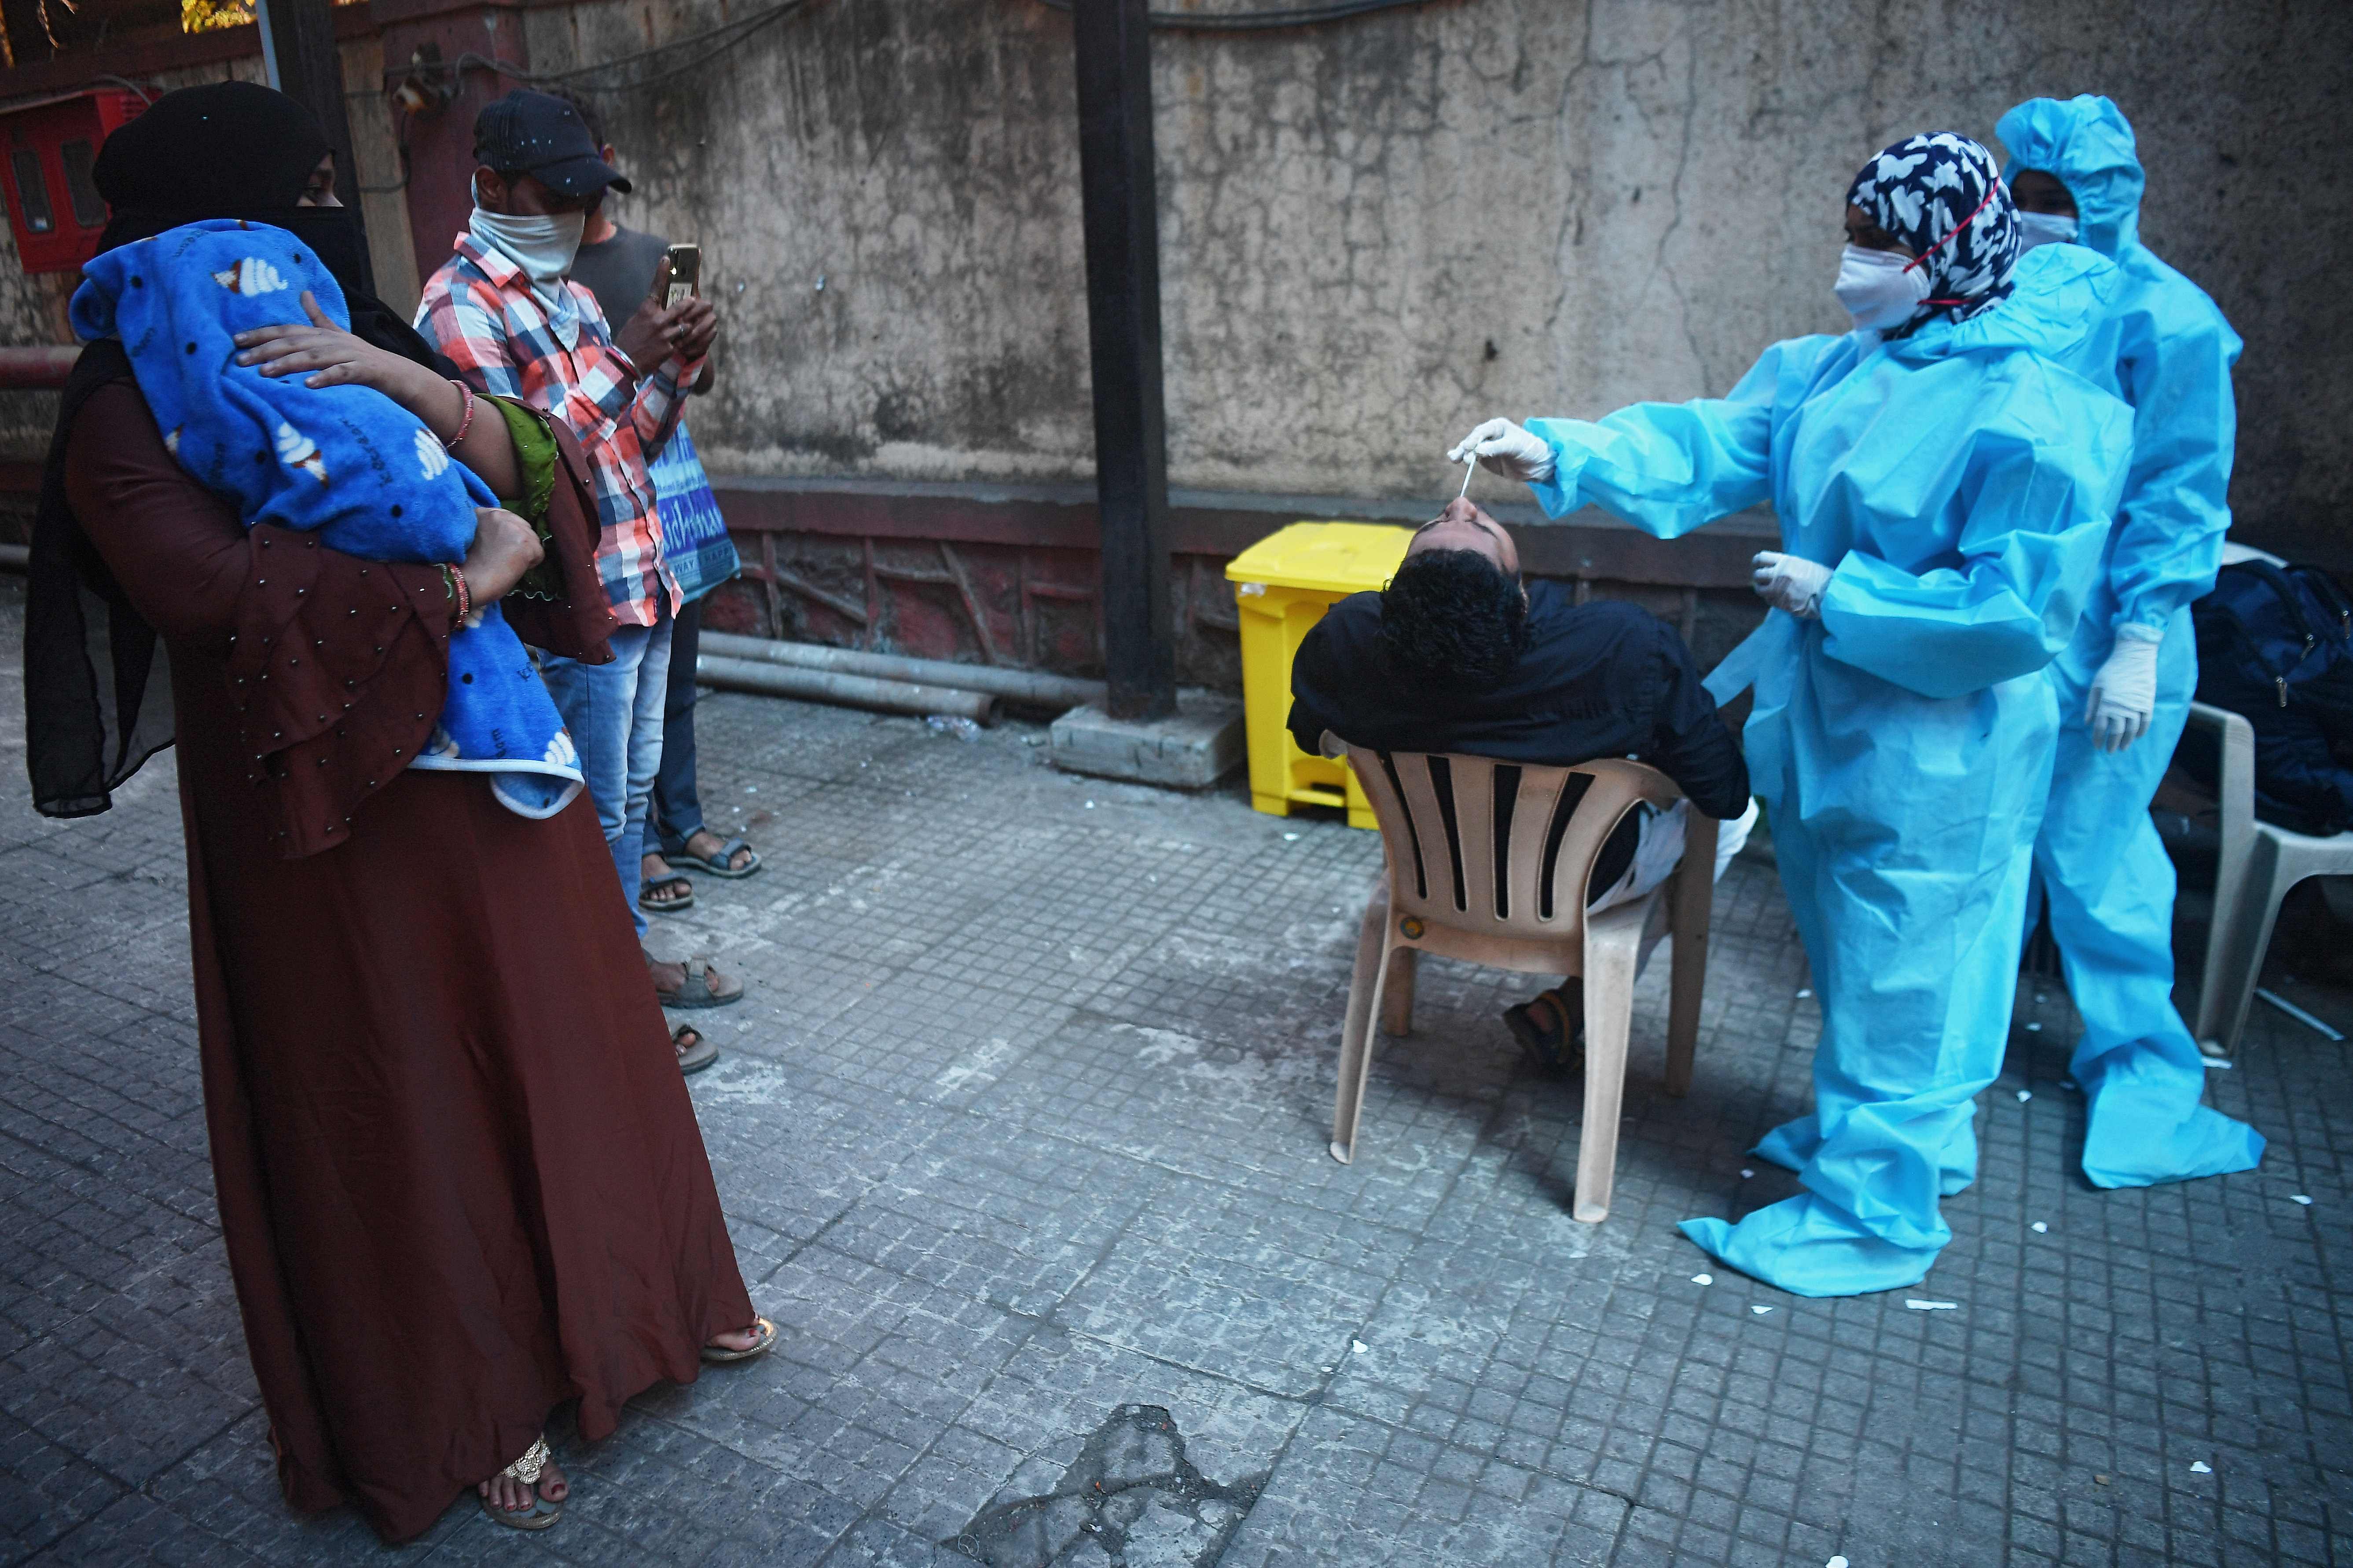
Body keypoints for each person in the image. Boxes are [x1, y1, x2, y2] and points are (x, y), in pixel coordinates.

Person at [26, 81, 772, 1542]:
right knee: (402, 1101)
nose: (312, 223)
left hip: (491, 763)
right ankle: (465, 1403)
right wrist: (464, 581)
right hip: (322, 806)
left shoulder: (361, 322)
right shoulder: (122, 400)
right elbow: (208, 591)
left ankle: (649, 1311)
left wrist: (412, 389)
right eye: (285, 195)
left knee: (573, 1039)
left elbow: (527, 464)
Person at [1450, 133, 2136, 1297]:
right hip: (1830, 726)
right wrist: (1558, 446)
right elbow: (1716, 438)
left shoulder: (2034, 412)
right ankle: (1875, 1147)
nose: (1851, 260)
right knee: (1865, 967)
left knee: (1910, 973)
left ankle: (1875, 1215)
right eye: (1853, 231)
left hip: (1936, 751)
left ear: (1941, 256)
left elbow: (2017, 608)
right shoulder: (1842, 365)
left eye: (1876, 242)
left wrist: (1847, 595)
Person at [413, 88, 745, 1051]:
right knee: (587, 820)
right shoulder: (457, 309)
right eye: (550, 194)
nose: (572, 217)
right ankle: (606, 1018)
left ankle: (620, 969)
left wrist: (670, 369)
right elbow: (521, 471)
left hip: (643, 585)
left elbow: (622, 450)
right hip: (574, 602)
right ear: (489, 186)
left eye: (581, 196)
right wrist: (621, 362)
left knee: (626, 808)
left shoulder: (576, 298)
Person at [1997, 95, 2264, 1189]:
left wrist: (2142, 634)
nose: (2039, 216)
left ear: (2111, 199)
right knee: (1984, 850)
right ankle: (1952, 1055)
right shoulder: (2000, 295)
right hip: (2011, 622)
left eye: (2061, 199)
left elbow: (2180, 492)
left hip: (2114, 632)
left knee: (2099, 859)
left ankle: (2144, 1070)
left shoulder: (2174, 322)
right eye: (2025, 195)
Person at [1288, 496, 1757, 1072]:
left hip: (1430, 877)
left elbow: (1312, 735)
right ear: (1522, 599)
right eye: (1472, 523)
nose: (1461, 503)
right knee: (1738, 820)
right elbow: (1723, 791)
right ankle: (1581, 1001)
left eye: (1447, 520)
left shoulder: (1348, 638)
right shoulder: (1624, 645)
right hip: (1584, 889)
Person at [557, 93, 761, 916]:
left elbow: (693, 379)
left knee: (674, 668)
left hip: (660, 468)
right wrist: (625, 360)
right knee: (614, 682)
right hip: (583, 485)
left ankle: (682, 821)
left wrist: (688, 349)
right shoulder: (536, 282)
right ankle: (632, 848)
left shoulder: (644, 253)